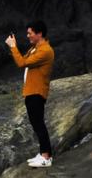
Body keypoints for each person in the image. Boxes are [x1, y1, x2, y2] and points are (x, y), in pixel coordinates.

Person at [6, 22, 55, 167]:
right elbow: (24, 60)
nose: (27, 36)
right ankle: (43, 154)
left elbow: (22, 63)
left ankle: (46, 157)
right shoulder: (36, 48)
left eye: (30, 33)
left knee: (39, 123)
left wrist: (13, 46)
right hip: (31, 91)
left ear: (39, 34)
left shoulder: (45, 50)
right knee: (36, 123)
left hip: (37, 92)